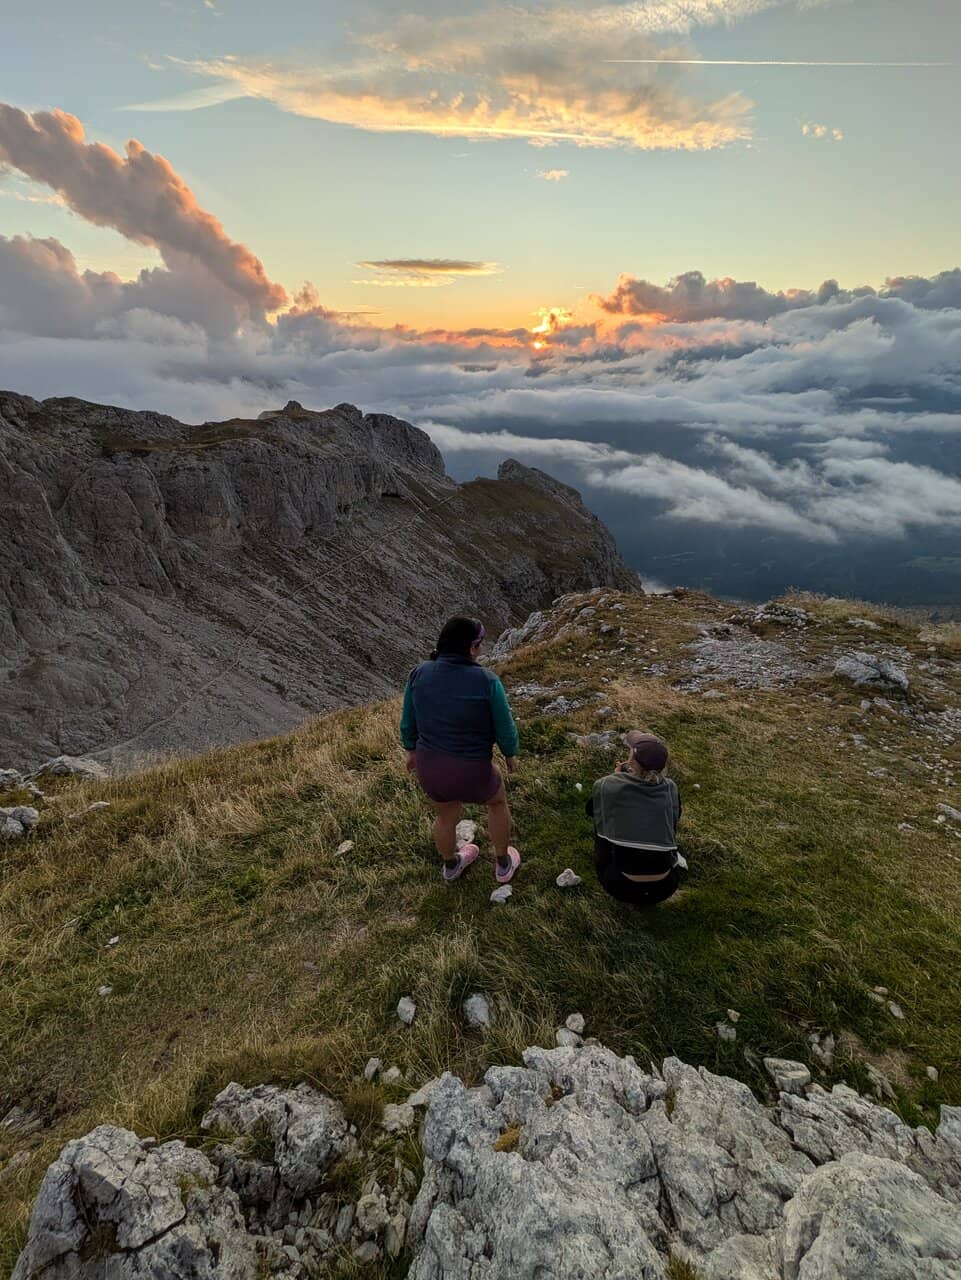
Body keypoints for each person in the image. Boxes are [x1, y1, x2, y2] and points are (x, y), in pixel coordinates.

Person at [401, 615, 521, 884]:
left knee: (445, 815)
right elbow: (504, 726)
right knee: (497, 802)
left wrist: (411, 751)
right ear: (471, 648)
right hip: (473, 769)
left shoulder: (419, 673)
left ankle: (451, 865)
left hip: (431, 768)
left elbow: (408, 719)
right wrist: (510, 754)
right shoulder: (487, 680)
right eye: (479, 643)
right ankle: (503, 864)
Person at [586, 731, 683, 906]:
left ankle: (607, 861)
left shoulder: (608, 785)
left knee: (602, 820)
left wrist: (616, 777)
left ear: (632, 763)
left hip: (620, 885)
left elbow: (591, 810)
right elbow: (676, 817)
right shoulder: (671, 788)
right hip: (667, 885)